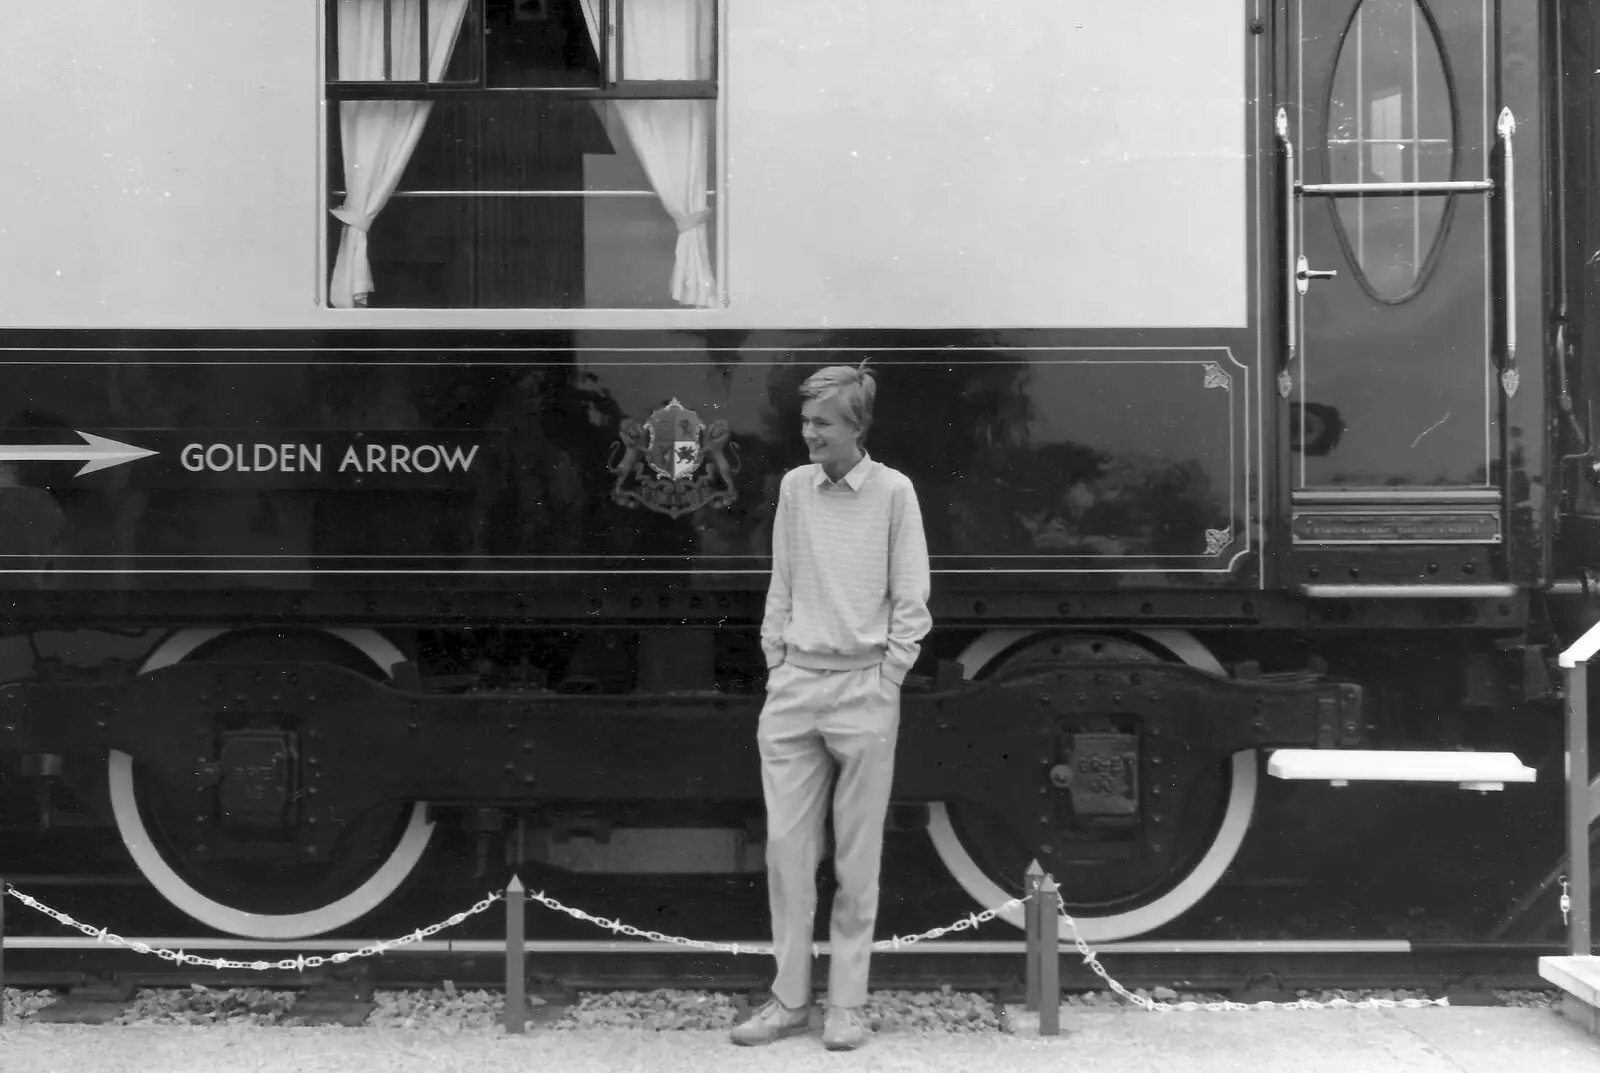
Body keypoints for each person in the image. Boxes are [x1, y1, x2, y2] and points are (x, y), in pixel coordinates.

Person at [730, 363, 932, 1051]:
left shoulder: (895, 494)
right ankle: (788, 1000)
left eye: (822, 422)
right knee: (787, 852)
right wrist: (776, 659)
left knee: (857, 858)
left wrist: (888, 676)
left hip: (863, 691)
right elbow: (781, 581)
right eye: (806, 420)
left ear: (857, 426)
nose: (807, 432)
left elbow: (912, 599)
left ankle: (846, 1005)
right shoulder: (795, 488)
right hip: (795, 689)